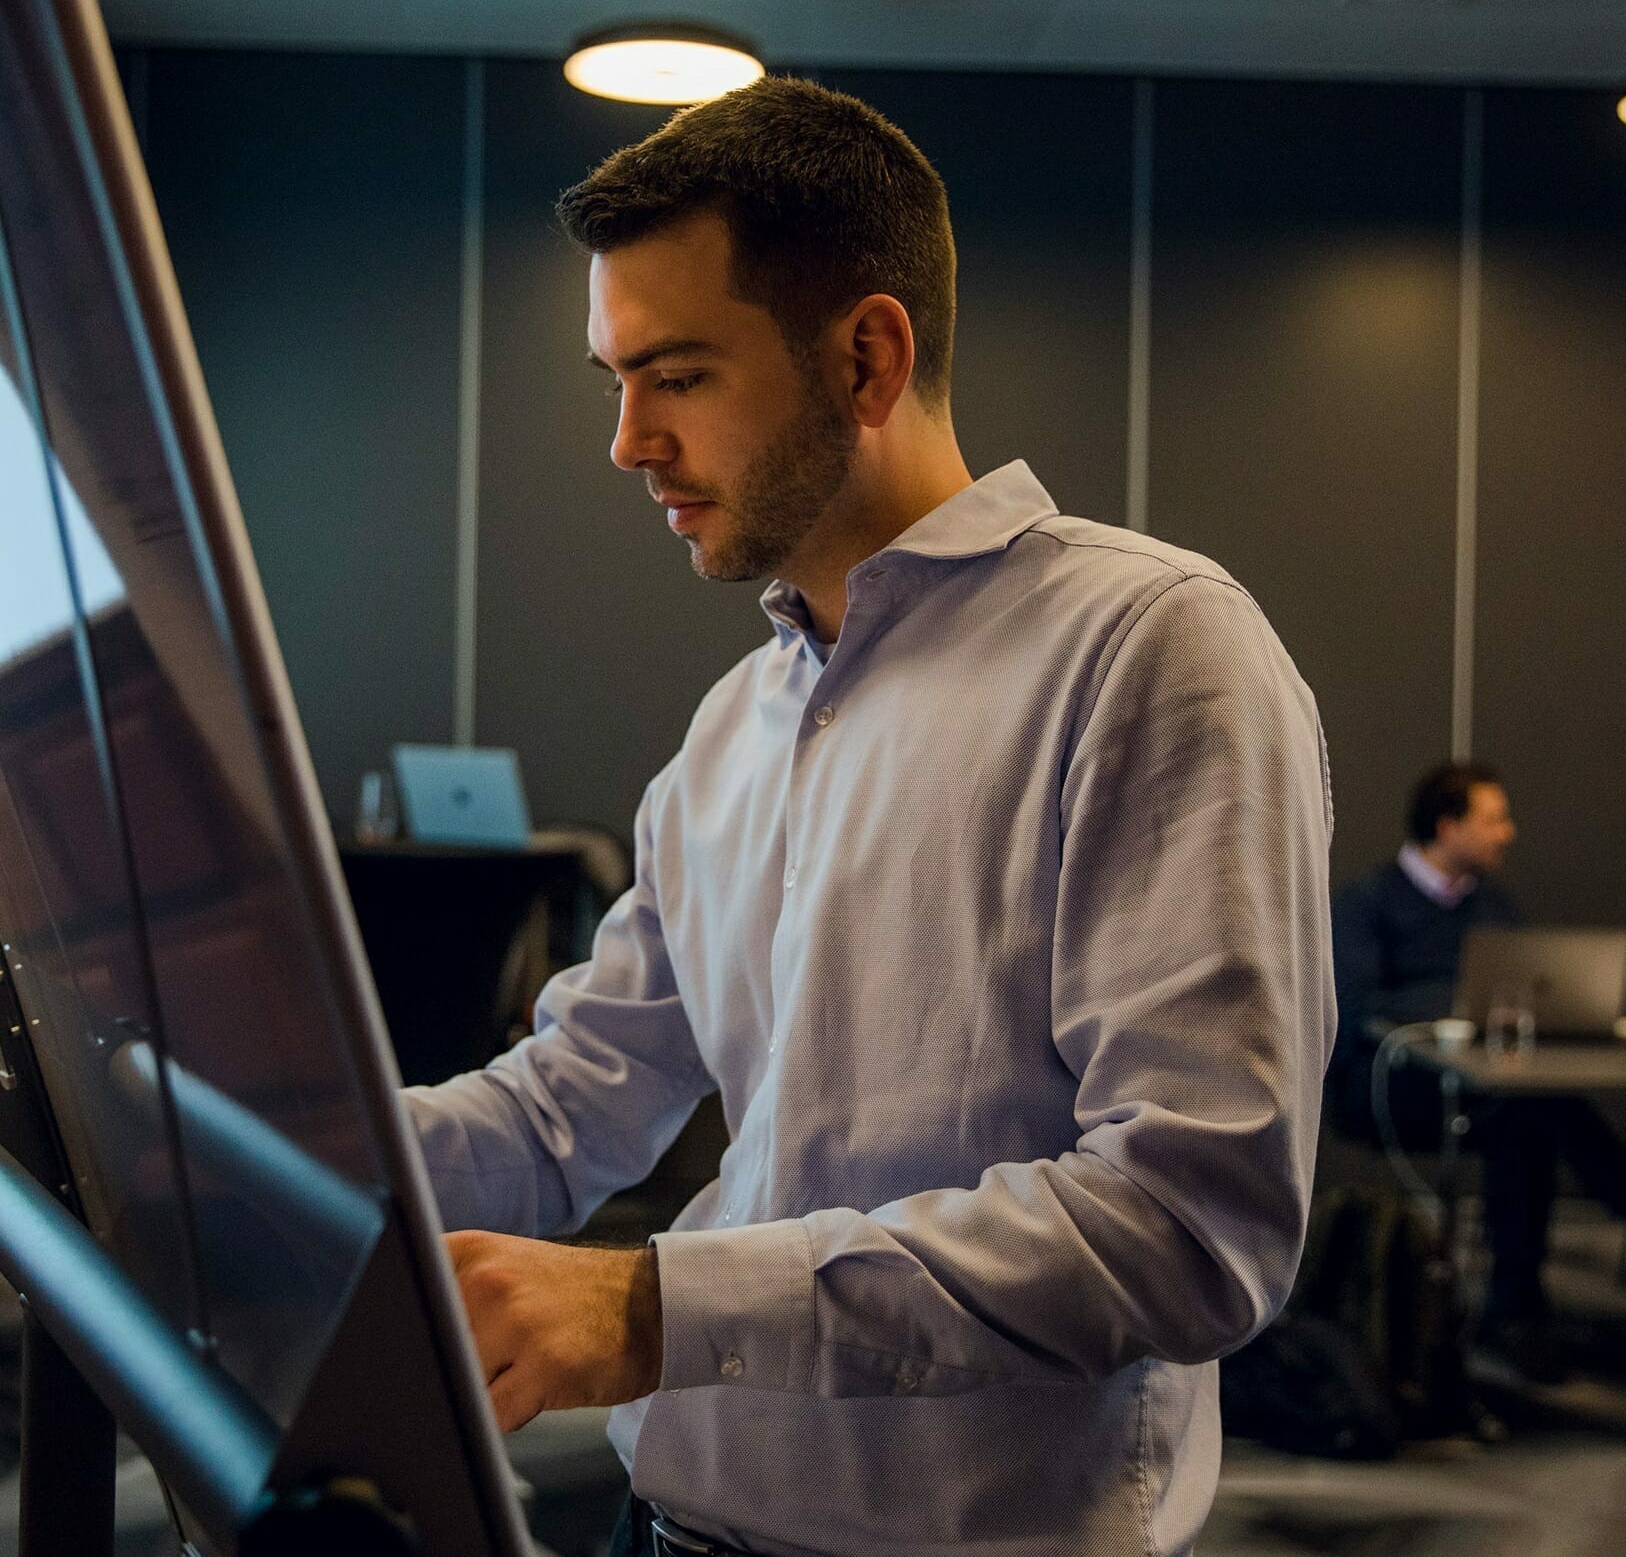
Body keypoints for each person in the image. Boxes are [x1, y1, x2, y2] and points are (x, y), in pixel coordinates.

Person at [405, 76, 1336, 1557]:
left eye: (679, 374)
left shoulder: (1148, 647)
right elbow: (570, 1097)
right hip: (670, 1524)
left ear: (866, 354)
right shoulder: (732, 727)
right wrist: (276, 1153)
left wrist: (655, 1307)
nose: (626, 440)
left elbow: (1187, 1225)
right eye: (614, 379)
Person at [1331, 763, 1626, 1379]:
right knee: (1532, 1114)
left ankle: (1521, 1310)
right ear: (1449, 827)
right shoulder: (1367, 903)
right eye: (1493, 819)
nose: (1507, 833)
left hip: (1483, 1088)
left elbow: (1529, 990)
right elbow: (1359, 1006)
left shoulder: (1492, 907)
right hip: (1390, 1089)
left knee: (1530, 1113)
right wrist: (1458, 1001)